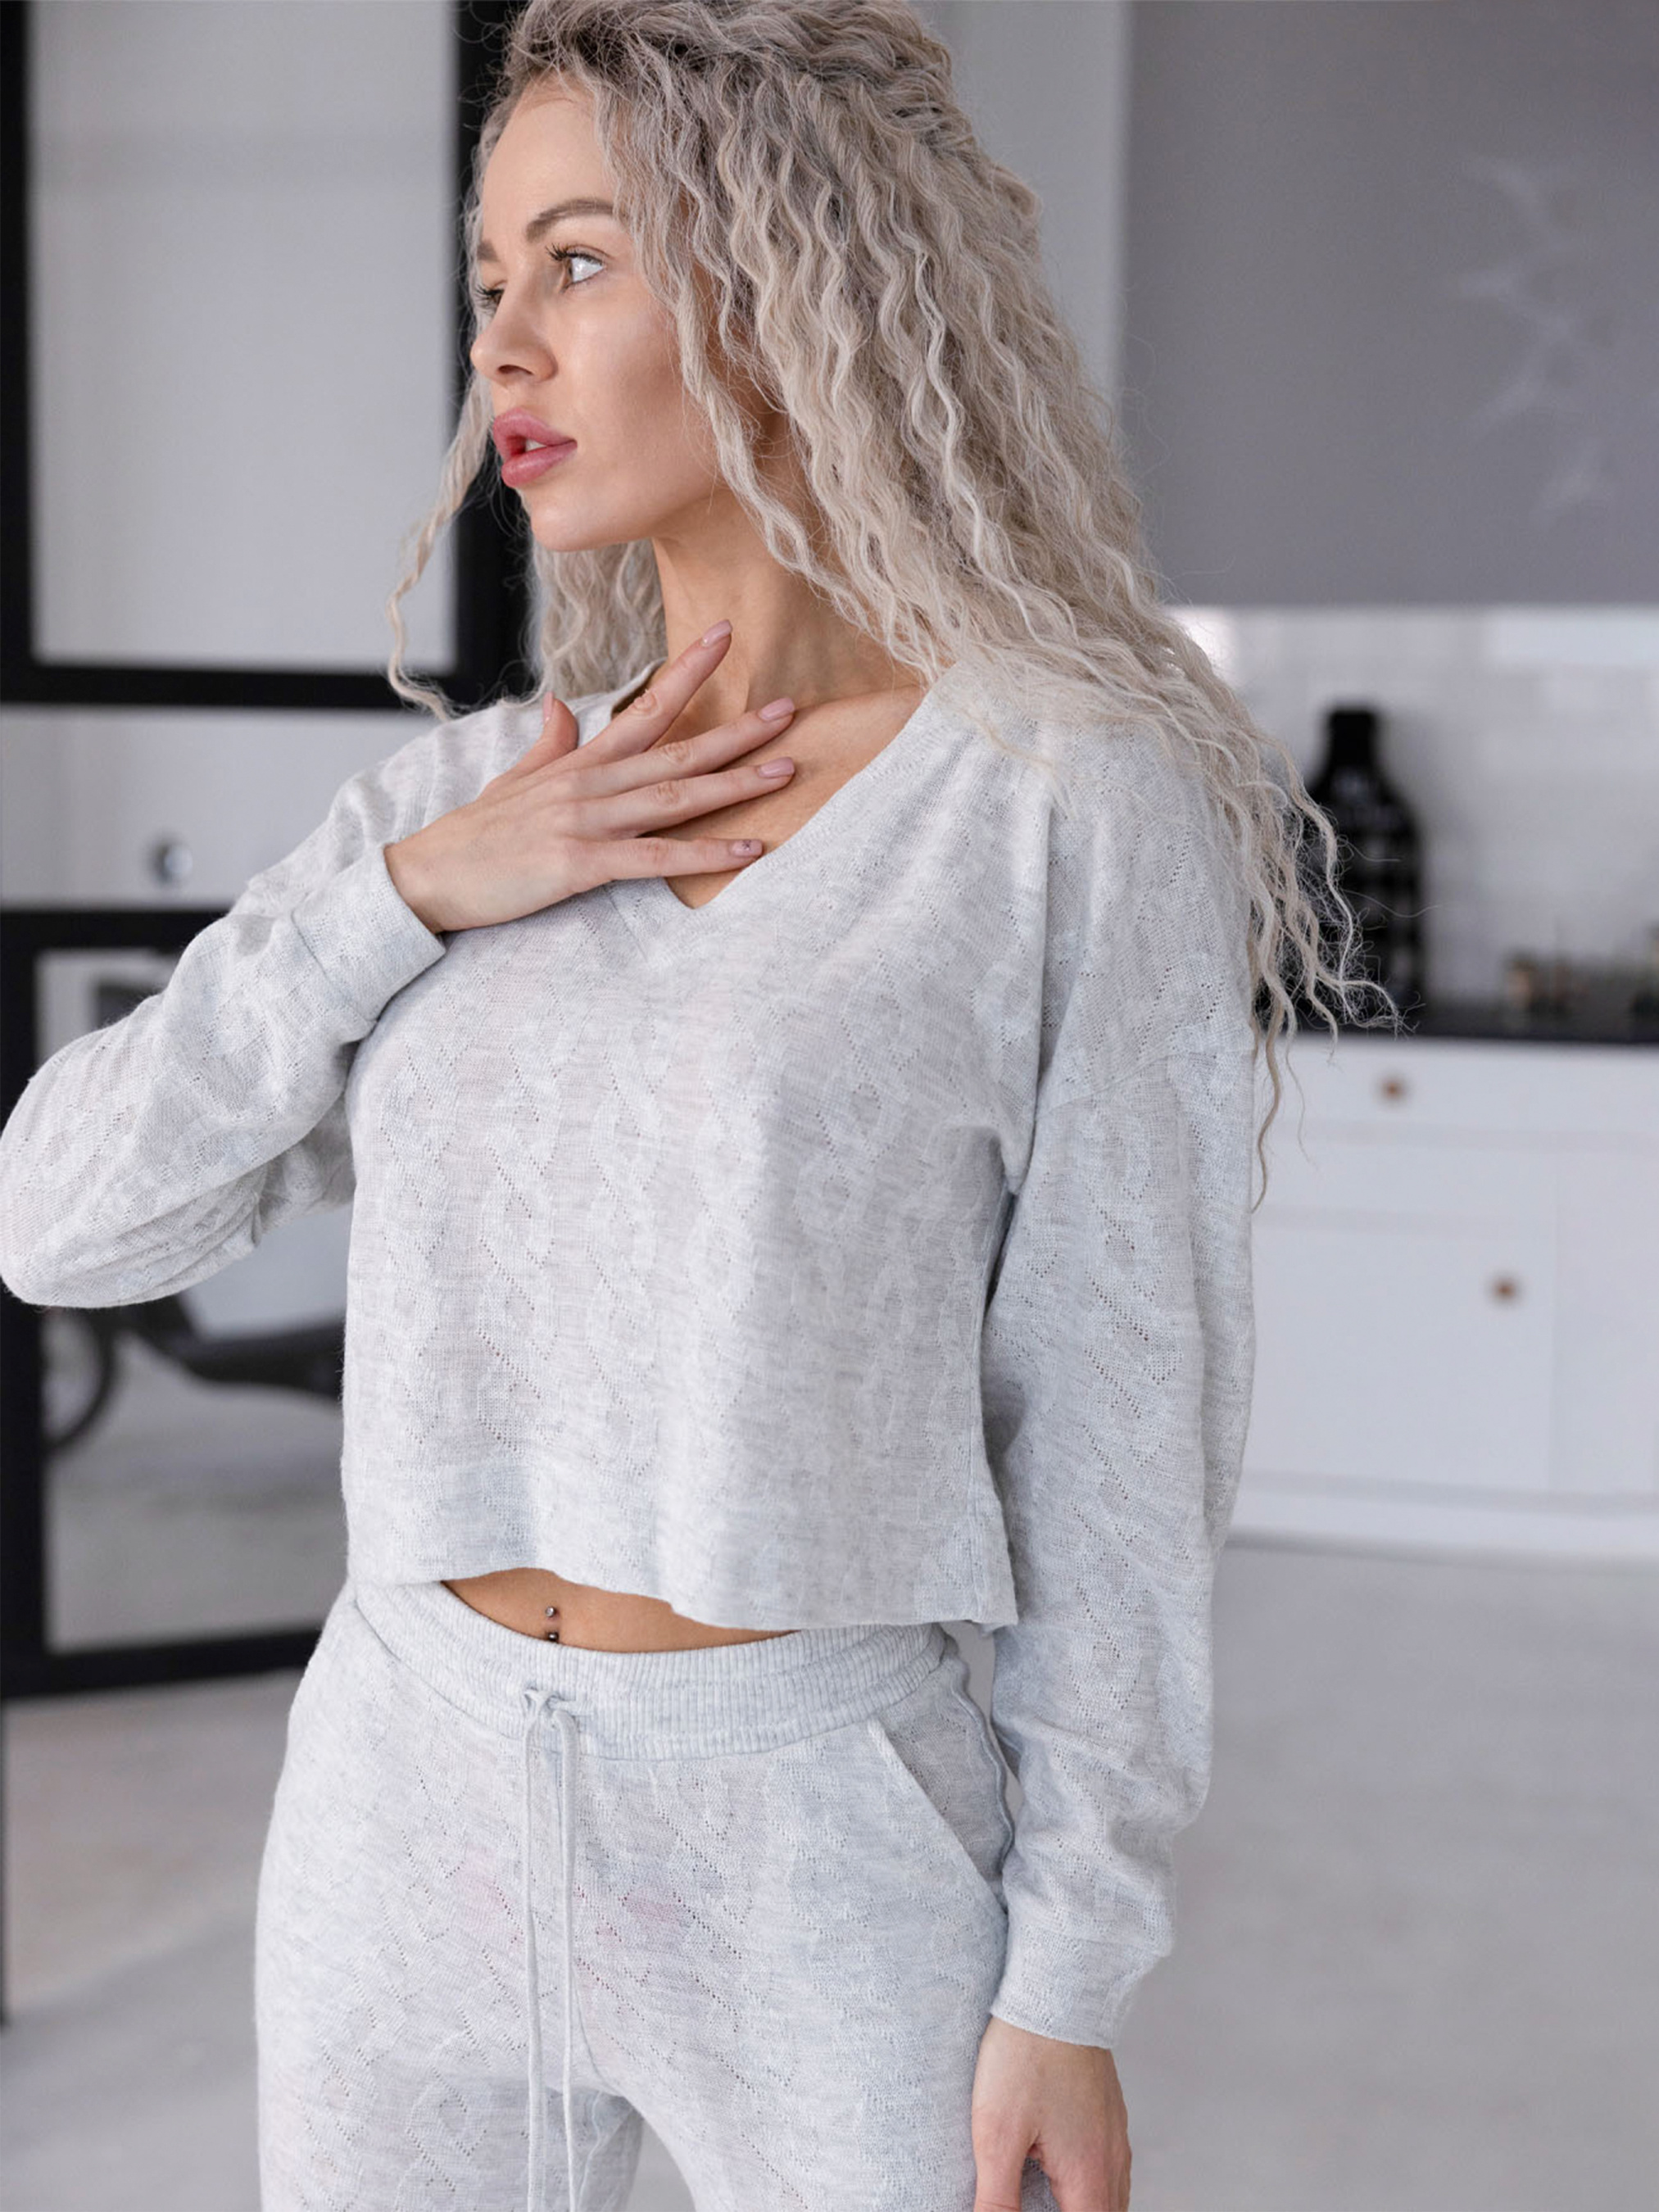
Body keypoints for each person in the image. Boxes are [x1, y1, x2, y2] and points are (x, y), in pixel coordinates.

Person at [0, 5, 1370, 2208]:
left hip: (811, 1821)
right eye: (487, 280)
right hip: (404, 1788)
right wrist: (404, 901)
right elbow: (58, 1223)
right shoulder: (464, 805)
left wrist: (1072, 1970)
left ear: (788, 288)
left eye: (576, 262)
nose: (501, 349)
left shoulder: (1051, 802)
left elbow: (1119, 1413)